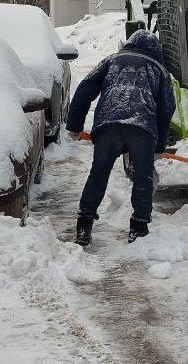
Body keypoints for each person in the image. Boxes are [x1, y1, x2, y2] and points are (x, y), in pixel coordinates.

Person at [66, 29, 176, 246]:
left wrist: (75, 125)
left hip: (108, 124)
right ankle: (138, 227)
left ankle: (84, 225)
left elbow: (84, 90)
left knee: (98, 174)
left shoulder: (111, 61)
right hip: (141, 127)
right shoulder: (159, 71)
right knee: (143, 178)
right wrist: (159, 145)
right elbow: (167, 109)